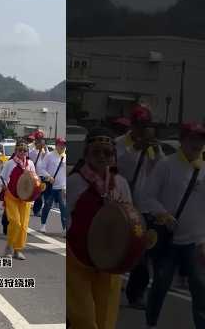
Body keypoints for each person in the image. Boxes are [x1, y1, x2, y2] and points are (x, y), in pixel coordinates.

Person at [140, 123, 205, 329]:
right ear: (183, 140)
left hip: (196, 241)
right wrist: (163, 214)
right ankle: (151, 323)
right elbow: (147, 197)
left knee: (200, 288)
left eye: (201, 139)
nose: (198, 144)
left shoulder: (204, 169)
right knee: (160, 284)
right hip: (168, 240)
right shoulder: (166, 165)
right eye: (193, 139)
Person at [67, 127, 132, 329]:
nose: (102, 156)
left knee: (106, 320)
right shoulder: (75, 182)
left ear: (113, 156)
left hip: (110, 260)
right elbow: (65, 219)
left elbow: (130, 218)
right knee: (84, 319)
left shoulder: (120, 184)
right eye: (96, 152)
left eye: (107, 152)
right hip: (77, 258)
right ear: (87, 154)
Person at [115, 105, 164, 309]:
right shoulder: (119, 144)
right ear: (132, 125)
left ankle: (136, 294)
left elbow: (160, 169)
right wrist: (136, 148)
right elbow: (117, 165)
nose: (142, 129)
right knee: (116, 248)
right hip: (120, 205)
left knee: (142, 254)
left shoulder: (152, 147)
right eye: (140, 125)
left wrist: (154, 149)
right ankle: (111, 281)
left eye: (146, 126)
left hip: (142, 209)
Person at [0, 139, 38, 260]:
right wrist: (3, 185)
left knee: (23, 225)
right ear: (16, 151)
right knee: (15, 222)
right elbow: (1, 178)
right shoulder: (10, 163)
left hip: (25, 198)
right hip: (12, 196)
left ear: (27, 152)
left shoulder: (30, 164)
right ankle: (9, 247)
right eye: (20, 150)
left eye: (24, 150)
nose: (22, 152)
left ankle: (18, 249)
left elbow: (34, 179)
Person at [37, 137, 67, 235]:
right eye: (60, 144)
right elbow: (41, 168)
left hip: (62, 187)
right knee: (47, 205)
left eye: (64, 145)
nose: (62, 146)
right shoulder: (49, 155)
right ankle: (43, 225)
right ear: (56, 145)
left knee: (63, 208)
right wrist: (48, 176)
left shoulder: (66, 156)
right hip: (51, 186)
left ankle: (65, 229)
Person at [29, 132, 49, 217]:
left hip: (42, 174)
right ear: (36, 139)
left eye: (41, 139)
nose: (40, 141)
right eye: (39, 139)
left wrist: (44, 148)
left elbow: (48, 157)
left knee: (40, 193)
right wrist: (37, 148)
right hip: (34, 174)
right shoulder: (32, 148)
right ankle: (34, 208)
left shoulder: (44, 148)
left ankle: (36, 209)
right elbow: (29, 157)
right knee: (35, 193)